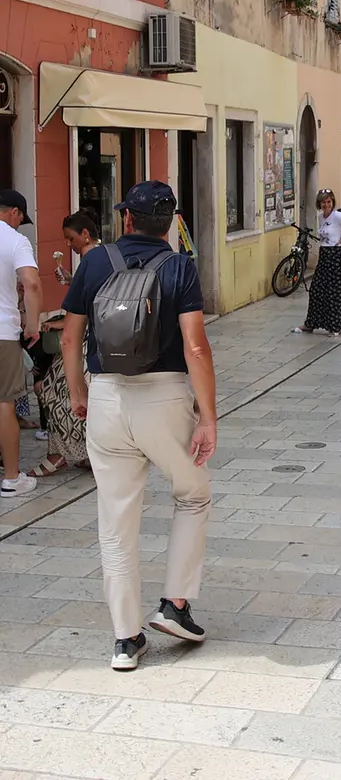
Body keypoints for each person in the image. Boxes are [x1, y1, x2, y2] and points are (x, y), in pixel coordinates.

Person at [61, 181, 217, 670]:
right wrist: (207, 416)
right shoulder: (179, 267)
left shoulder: (95, 261)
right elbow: (195, 347)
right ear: (168, 223)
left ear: (126, 218)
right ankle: (175, 605)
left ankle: (126, 641)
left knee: (116, 520)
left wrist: (79, 393)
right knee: (192, 494)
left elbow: (70, 339)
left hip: (107, 396)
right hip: (166, 396)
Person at [28, 211, 100, 478]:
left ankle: (59, 455)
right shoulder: (100, 258)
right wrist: (72, 280)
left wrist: (60, 324)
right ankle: (85, 452)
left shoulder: (91, 260)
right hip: (91, 340)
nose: (68, 244)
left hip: (84, 343)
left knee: (50, 390)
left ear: (85, 234)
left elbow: (86, 308)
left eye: (70, 238)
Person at [0, 191, 41, 495]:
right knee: (5, 402)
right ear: (14, 212)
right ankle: (12, 478)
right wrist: (33, 323)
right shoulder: (15, 240)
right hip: (2, 332)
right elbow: (32, 283)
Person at [299, 190, 341, 335]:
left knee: (335, 292)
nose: (326, 204)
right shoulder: (321, 217)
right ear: (319, 203)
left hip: (335, 255)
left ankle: (335, 326)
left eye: (328, 201)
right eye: (323, 202)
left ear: (332, 202)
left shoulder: (337, 216)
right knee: (317, 290)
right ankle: (311, 323)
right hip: (324, 255)